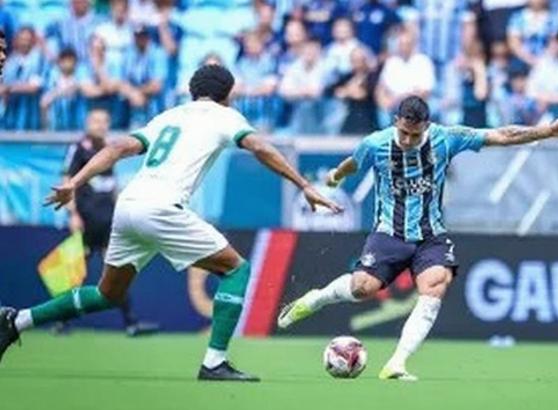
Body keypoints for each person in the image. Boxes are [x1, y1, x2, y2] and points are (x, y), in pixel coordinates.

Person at [0, 64, 341, 381]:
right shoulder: (225, 116)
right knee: (236, 269)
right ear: (227, 94)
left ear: (193, 91)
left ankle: (18, 320)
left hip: (129, 205)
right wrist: (305, 185)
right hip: (162, 208)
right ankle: (214, 362)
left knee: (107, 294)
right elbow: (261, 148)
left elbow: (118, 148)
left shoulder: (169, 116)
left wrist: (75, 182)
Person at [278, 95, 558, 381]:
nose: (408, 141)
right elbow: (353, 163)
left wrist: (548, 131)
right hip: (389, 233)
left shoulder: (446, 137)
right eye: (404, 133)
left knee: (435, 285)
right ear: (395, 121)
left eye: (415, 135)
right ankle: (316, 298)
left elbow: (502, 135)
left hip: (431, 235)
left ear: (427, 126)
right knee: (362, 288)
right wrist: (335, 177)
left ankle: (396, 363)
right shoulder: (376, 143)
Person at [58, 108, 160, 337]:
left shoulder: (108, 150)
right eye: (95, 120)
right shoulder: (77, 149)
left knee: (117, 273)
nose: (100, 125)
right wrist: (72, 214)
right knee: (76, 274)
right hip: (85, 222)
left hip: (107, 223)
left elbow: (111, 186)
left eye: (104, 121)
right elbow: (66, 180)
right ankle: (61, 321)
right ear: (87, 123)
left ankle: (131, 323)